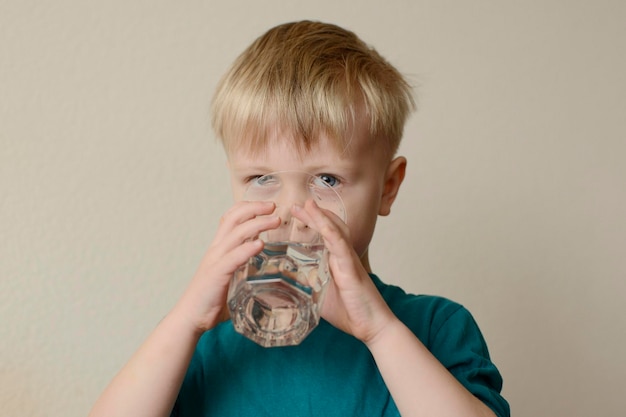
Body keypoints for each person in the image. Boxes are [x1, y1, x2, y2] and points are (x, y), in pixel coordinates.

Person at [88, 20, 510, 417]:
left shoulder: (434, 327)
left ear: (388, 187)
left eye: (327, 179)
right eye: (262, 177)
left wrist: (380, 332)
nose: (293, 210)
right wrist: (185, 321)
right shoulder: (200, 343)